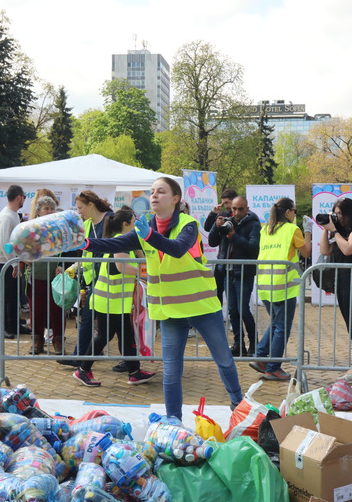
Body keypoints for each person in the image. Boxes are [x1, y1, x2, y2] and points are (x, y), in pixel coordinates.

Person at [79, 177, 243, 417]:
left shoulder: (188, 224)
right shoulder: (145, 229)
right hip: (170, 310)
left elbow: (176, 249)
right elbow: (109, 245)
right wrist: (81, 242)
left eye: (161, 192)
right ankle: (173, 421)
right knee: (171, 372)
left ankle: (238, 406)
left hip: (201, 306)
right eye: (152, 191)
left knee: (224, 360)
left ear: (175, 199)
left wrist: (148, 236)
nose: (154, 195)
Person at [88, 206, 156, 384]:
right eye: (134, 222)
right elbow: (122, 266)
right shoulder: (120, 240)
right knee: (104, 336)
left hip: (115, 302)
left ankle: (134, 372)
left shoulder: (125, 240)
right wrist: (149, 273)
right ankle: (83, 369)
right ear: (126, 224)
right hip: (110, 301)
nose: (136, 225)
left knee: (126, 337)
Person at [250, 197, 312, 381]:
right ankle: (273, 367)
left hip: (265, 285)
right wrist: (308, 231)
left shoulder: (265, 229)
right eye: (294, 211)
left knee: (277, 324)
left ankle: (261, 358)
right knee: (281, 327)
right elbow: (306, 252)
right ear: (288, 212)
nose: (295, 214)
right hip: (283, 286)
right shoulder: (293, 229)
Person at [58, 191, 115, 370]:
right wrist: (75, 267)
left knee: (117, 326)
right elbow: (86, 253)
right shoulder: (88, 224)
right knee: (88, 319)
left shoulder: (111, 220)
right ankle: (79, 357)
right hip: (95, 281)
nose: (79, 212)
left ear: (91, 204)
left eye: (81, 208)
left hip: (111, 281)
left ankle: (131, 363)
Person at [319, 198, 352, 366]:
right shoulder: (339, 231)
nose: (337, 217)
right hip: (342, 280)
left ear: (350, 213)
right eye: (335, 213)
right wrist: (326, 229)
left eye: (340, 213)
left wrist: (334, 231)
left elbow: (349, 248)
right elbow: (325, 250)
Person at [208, 195, 260, 356]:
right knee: (232, 310)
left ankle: (254, 342)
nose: (237, 212)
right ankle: (238, 345)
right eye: (234, 209)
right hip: (227, 271)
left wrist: (234, 236)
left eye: (240, 209)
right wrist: (216, 227)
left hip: (243, 272)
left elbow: (253, 248)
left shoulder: (254, 224)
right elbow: (212, 242)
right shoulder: (227, 221)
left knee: (243, 309)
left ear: (247, 209)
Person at [26, 195, 66, 355]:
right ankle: (37, 342)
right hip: (36, 274)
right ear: (39, 211)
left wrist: (64, 266)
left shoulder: (60, 229)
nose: (49, 211)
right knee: (36, 310)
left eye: (51, 209)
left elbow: (69, 249)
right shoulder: (30, 228)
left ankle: (58, 341)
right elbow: (23, 247)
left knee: (58, 309)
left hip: (56, 276)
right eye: (46, 209)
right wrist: (24, 260)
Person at [0, 185, 26, 339]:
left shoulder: (11, 214)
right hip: (3, 263)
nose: (24, 199)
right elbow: (6, 243)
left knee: (13, 296)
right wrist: (13, 264)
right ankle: (3, 327)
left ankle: (13, 324)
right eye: (24, 197)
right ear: (18, 197)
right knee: (4, 296)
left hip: (9, 262)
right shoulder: (6, 216)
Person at [204, 188, 239, 305]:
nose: (225, 206)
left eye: (227, 203)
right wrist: (214, 214)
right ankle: (218, 318)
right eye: (223, 203)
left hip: (236, 261)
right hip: (221, 261)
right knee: (217, 292)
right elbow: (207, 228)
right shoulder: (223, 215)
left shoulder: (243, 215)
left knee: (234, 298)